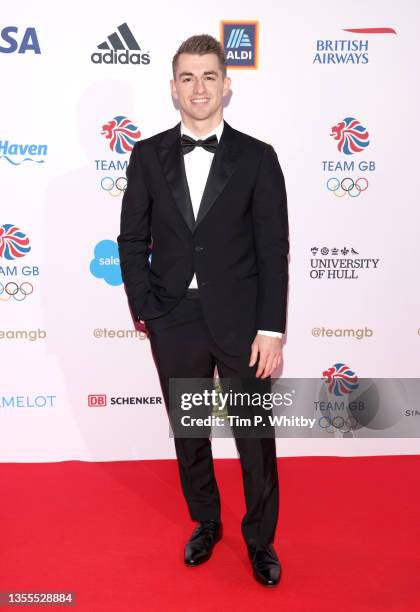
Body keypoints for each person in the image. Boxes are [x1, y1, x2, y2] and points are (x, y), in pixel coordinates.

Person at [117, 34, 289, 587]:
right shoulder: (147, 155)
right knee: (190, 431)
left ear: (227, 86)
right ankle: (207, 522)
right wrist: (147, 308)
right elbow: (130, 238)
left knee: (253, 435)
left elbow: (273, 249)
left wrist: (272, 329)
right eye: (188, 78)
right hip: (174, 318)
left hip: (242, 322)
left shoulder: (258, 158)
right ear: (173, 88)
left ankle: (261, 540)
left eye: (209, 77)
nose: (199, 88)